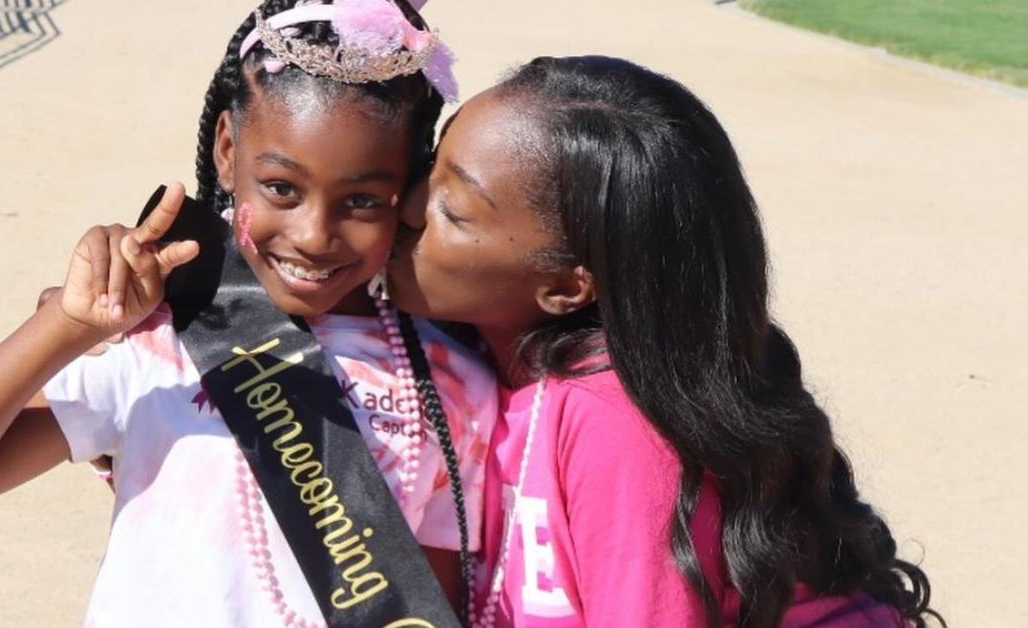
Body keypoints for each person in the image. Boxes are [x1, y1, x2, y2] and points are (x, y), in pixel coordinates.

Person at [0, 1, 495, 625]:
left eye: (361, 200)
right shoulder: (160, 337)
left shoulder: (450, 385)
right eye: (280, 188)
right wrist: (66, 329)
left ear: (410, 187)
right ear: (226, 148)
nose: (312, 234)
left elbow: (428, 600)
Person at [387, 55, 942, 627]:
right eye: (432, 165)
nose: (406, 207)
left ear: (566, 285)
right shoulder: (460, 351)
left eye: (452, 210)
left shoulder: (615, 421)